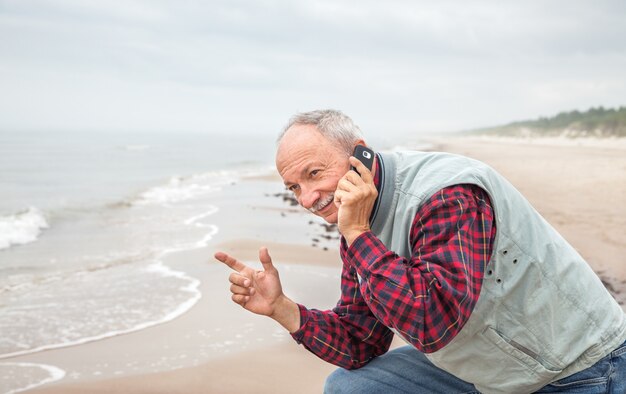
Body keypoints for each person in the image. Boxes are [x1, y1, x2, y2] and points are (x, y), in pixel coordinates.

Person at [214, 109, 626, 393]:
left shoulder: (445, 195)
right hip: (492, 374)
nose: (307, 199)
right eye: (294, 187)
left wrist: (357, 233)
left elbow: (432, 320)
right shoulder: (357, 217)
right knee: (350, 386)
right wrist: (283, 308)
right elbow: (360, 341)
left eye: (314, 174)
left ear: (360, 153)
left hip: (578, 371)